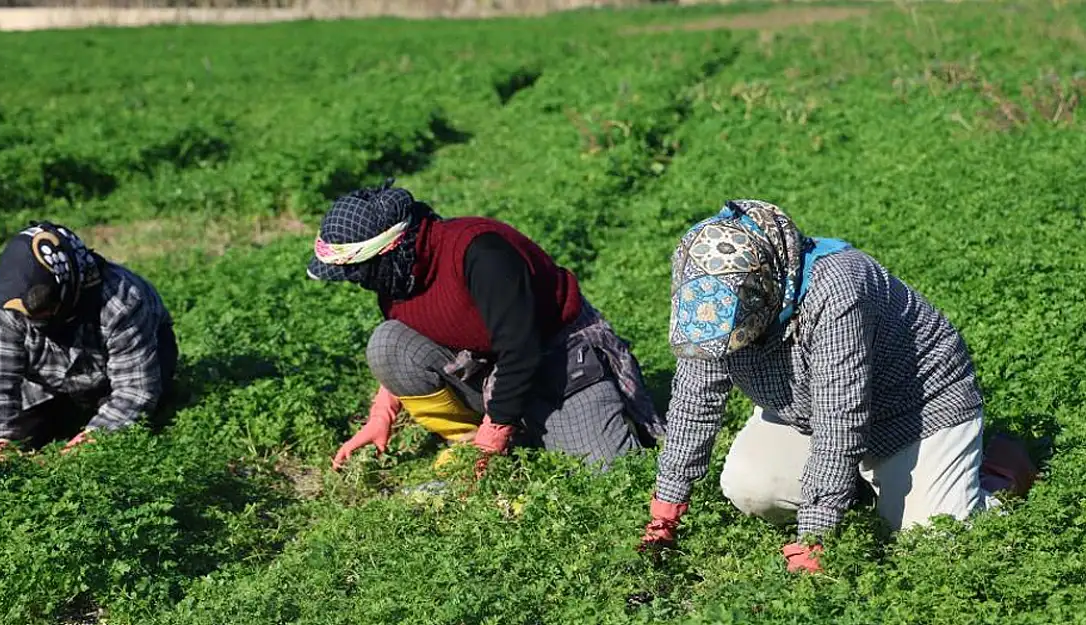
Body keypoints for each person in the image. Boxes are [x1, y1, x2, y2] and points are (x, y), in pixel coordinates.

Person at [638, 199, 1038, 573]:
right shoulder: (708, 298)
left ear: (766, 292)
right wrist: (665, 512)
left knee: (934, 537)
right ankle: (858, 487)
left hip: (915, 411)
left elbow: (840, 417)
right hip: (808, 411)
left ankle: (1000, 472)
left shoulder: (838, 288)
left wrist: (814, 540)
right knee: (750, 486)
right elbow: (696, 401)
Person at [306, 179, 665, 474]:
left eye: (355, 270)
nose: (355, 280)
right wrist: (381, 413)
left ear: (389, 249)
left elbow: (521, 350)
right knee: (388, 343)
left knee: (611, 472)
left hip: (559, 361)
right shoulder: (397, 277)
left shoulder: (480, 254)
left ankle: (509, 433)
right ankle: (474, 442)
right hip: (491, 368)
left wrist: (494, 435)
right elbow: (408, 330)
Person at [0, 221, 178, 456]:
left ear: (67, 288)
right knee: (5, 431)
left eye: (44, 309)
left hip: (115, 377)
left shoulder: (121, 302)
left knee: (128, 439)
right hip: (49, 383)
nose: (34, 319)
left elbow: (135, 391)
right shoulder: (6, 301)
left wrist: (85, 447)